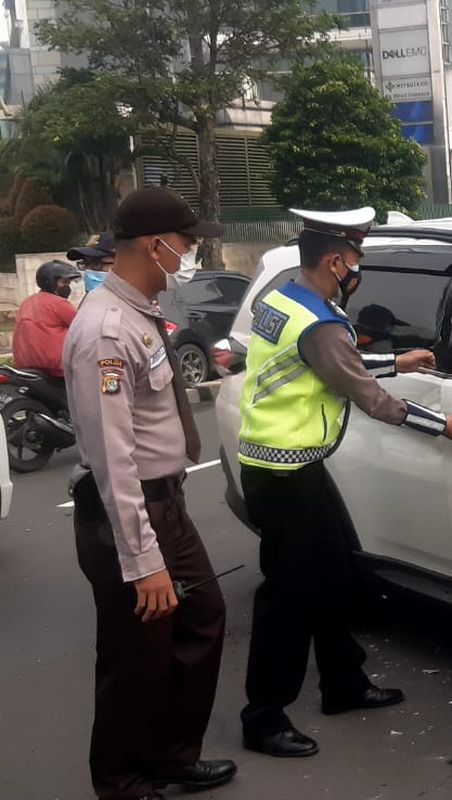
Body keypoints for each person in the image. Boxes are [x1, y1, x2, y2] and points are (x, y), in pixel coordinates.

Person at [238, 207, 452, 759]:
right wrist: (445, 426)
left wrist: (397, 360)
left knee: (335, 575)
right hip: (285, 474)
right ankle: (263, 717)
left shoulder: (285, 300)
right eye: (356, 259)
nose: (358, 268)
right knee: (288, 596)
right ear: (335, 259)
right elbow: (365, 395)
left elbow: (327, 362)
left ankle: (343, 683)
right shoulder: (318, 321)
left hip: (287, 465)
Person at [63, 187, 234, 800]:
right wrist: (142, 562)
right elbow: (111, 459)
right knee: (135, 653)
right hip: (129, 514)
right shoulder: (106, 331)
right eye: (186, 243)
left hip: (167, 504)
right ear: (152, 245)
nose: (190, 253)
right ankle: (122, 781)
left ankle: (169, 757)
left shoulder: (137, 313)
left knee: (202, 619)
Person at [12, 259, 80, 409]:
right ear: (51, 282)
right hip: (55, 368)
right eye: (64, 283)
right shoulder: (59, 304)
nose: (67, 288)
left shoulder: (28, 301)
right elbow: (84, 327)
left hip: (25, 365)